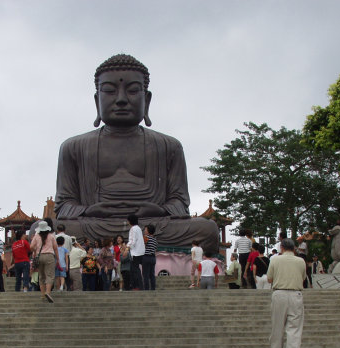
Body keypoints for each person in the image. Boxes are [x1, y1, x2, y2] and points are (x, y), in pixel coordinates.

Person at [54, 54, 220, 254]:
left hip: (153, 225)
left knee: (208, 230)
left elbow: (179, 202)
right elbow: (64, 205)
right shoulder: (73, 147)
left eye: (133, 90)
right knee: (40, 230)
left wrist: (160, 210)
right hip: (96, 225)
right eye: (109, 91)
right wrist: (88, 211)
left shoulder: (169, 146)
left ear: (147, 99)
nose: (121, 99)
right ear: (97, 100)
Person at [267, 238, 307, 348]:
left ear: (282, 248)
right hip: (295, 294)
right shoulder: (301, 261)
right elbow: (303, 277)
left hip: (279, 293)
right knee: (294, 328)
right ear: (294, 248)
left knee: (277, 326)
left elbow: (269, 278)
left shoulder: (275, 260)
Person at [30, 220, 56, 302]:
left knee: (41, 276)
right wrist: (58, 258)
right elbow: (55, 248)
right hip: (49, 255)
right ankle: (48, 292)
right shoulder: (51, 236)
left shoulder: (36, 236)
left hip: (39, 256)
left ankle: (42, 294)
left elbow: (31, 247)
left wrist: (35, 252)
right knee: (50, 275)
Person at [127, 214, 144, 290]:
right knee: (136, 269)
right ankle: (138, 285)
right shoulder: (139, 228)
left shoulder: (133, 229)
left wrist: (127, 248)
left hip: (135, 252)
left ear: (130, 221)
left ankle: (137, 286)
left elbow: (133, 241)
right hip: (140, 252)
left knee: (135, 270)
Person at [142, 224, 158, 291]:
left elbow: (143, 246)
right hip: (153, 258)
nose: (144, 230)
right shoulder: (155, 239)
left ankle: (146, 289)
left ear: (148, 231)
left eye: (145, 229)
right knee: (152, 275)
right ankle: (153, 289)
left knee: (145, 275)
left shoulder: (145, 237)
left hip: (146, 257)